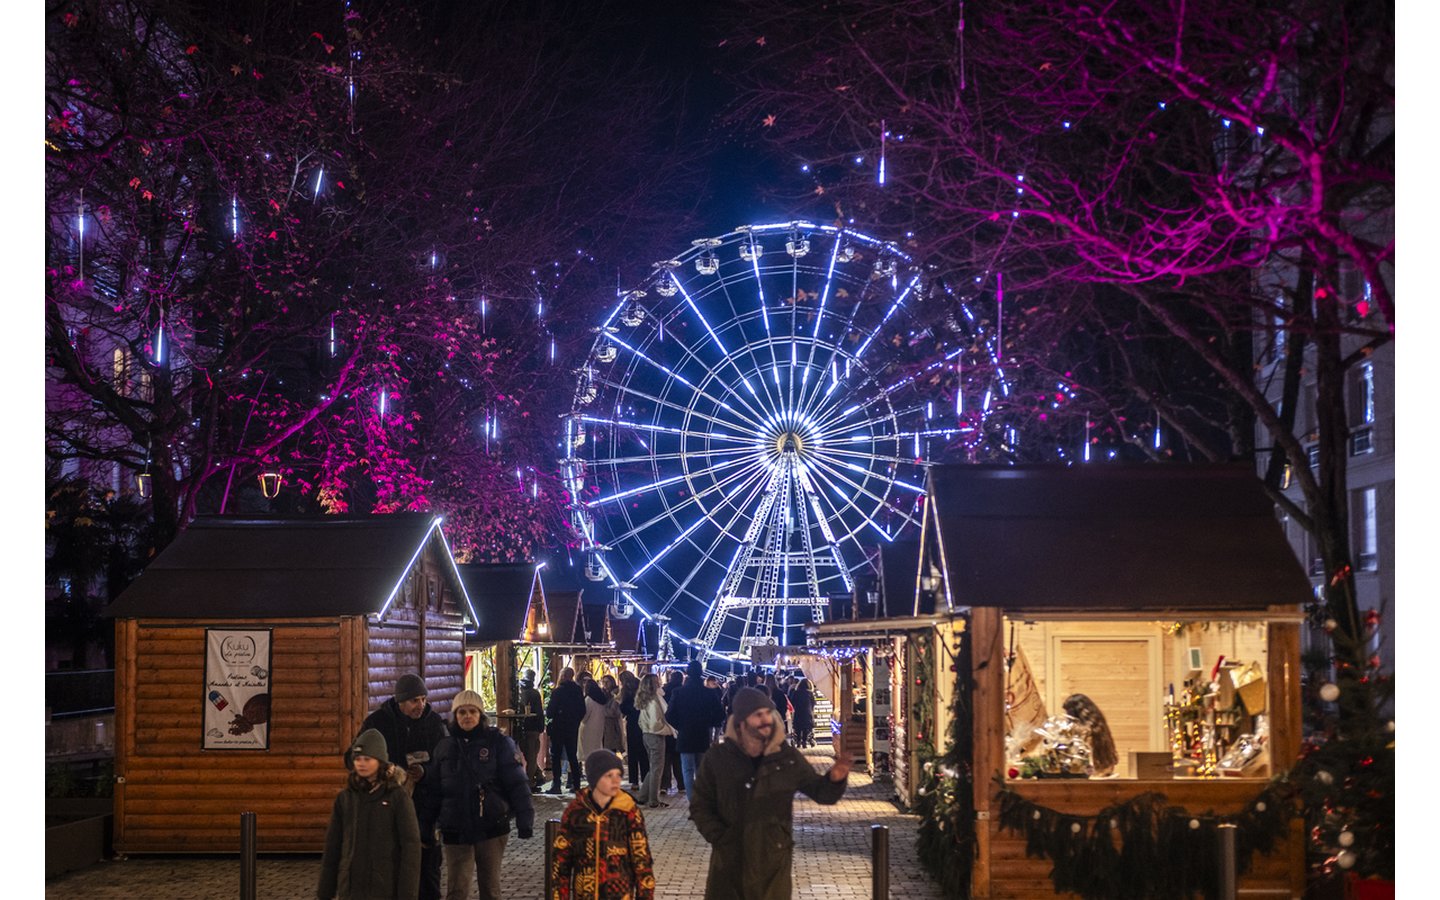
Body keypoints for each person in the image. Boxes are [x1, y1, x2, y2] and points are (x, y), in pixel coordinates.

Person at [690, 687, 850, 899]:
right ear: (741, 721)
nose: (766, 720)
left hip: (773, 861)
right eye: (758, 715)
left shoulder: (786, 757)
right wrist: (721, 837)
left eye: (768, 713)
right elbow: (700, 805)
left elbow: (822, 793)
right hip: (729, 863)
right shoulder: (718, 758)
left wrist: (835, 778)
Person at [426, 690, 534, 900]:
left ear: (480, 714)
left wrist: (525, 819)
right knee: (456, 890)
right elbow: (433, 790)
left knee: (490, 888)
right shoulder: (445, 747)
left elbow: (517, 783)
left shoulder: (498, 743)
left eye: (472, 711)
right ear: (455, 716)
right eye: (462, 712)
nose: (467, 716)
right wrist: (427, 824)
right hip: (455, 828)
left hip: (491, 826)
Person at [352, 673, 447, 900]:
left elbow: (446, 764)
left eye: (423, 699)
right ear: (400, 700)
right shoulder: (377, 724)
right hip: (388, 810)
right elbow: (353, 758)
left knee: (427, 875)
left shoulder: (434, 723)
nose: (420, 705)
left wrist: (425, 772)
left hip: (425, 811)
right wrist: (386, 771)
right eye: (414, 700)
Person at [318, 728, 422, 900]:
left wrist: (407, 894)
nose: (361, 763)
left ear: (380, 761)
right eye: (357, 759)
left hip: (384, 888)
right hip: (351, 889)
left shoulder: (397, 796)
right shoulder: (345, 798)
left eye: (367, 759)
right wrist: (324, 892)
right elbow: (333, 846)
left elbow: (410, 846)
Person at [550, 749, 656, 900]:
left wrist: (645, 895)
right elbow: (561, 862)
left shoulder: (627, 811)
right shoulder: (576, 812)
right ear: (595, 778)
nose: (616, 781)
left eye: (618, 775)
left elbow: (642, 860)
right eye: (609, 776)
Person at [663, 660, 726, 802]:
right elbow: (720, 714)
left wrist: (680, 726)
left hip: (685, 734)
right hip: (702, 734)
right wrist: (709, 723)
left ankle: (693, 801)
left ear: (687, 673)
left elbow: (669, 715)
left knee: (687, 769)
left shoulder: (678, 692)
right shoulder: (708, 693)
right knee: (701, 769)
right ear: (701, 672)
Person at [635, 673, 674, 808]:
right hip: (655, 735)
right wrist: (667, 730)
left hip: (647, 735)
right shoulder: (654, 701)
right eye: (657, 681)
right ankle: (653, 800)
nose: (659, 683)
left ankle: (643, 796)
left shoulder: (644, 699)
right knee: (657, 769)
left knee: (653, 768)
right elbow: (655, 721)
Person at [546, 667, 586, 794]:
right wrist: (575, 721)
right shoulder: (578, 691)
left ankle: (556, 785)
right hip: (572, 728)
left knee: (556, 756)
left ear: (562, 676)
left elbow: (550, 712)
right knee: (572, 755)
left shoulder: (558, 692)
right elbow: (583, 710)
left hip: (558, 727)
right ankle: (576, 784)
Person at [1062, 693, 1119, 777]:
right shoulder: (1099, 726)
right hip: (1102, 772)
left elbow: (1086, 765)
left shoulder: (1083, 732)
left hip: (1089, 776)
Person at [618, 671, 648, 791]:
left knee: (633, 752)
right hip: (643, 722)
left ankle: (634, 780)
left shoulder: (626, 691)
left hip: (632, 723)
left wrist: (622, 706)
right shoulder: (641, 687)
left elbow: (624, 708)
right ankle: (645, 778)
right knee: (643, 752)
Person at [659, 669, 685, 795]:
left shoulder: (663, 690)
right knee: (678, 758)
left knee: (666, 757)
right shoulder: (682, 691)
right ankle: (681, 784)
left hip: (665, 726)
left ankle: (664, 785)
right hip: (679, 728)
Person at [790, 678, 816, 748]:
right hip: (807, 712)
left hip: (798, 712)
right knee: (806, 728)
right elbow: (813, 703)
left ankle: (798, 741)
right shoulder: (810, 693)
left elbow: (793, 702)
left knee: (798, 727)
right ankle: (804, 742)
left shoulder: (796, 692)